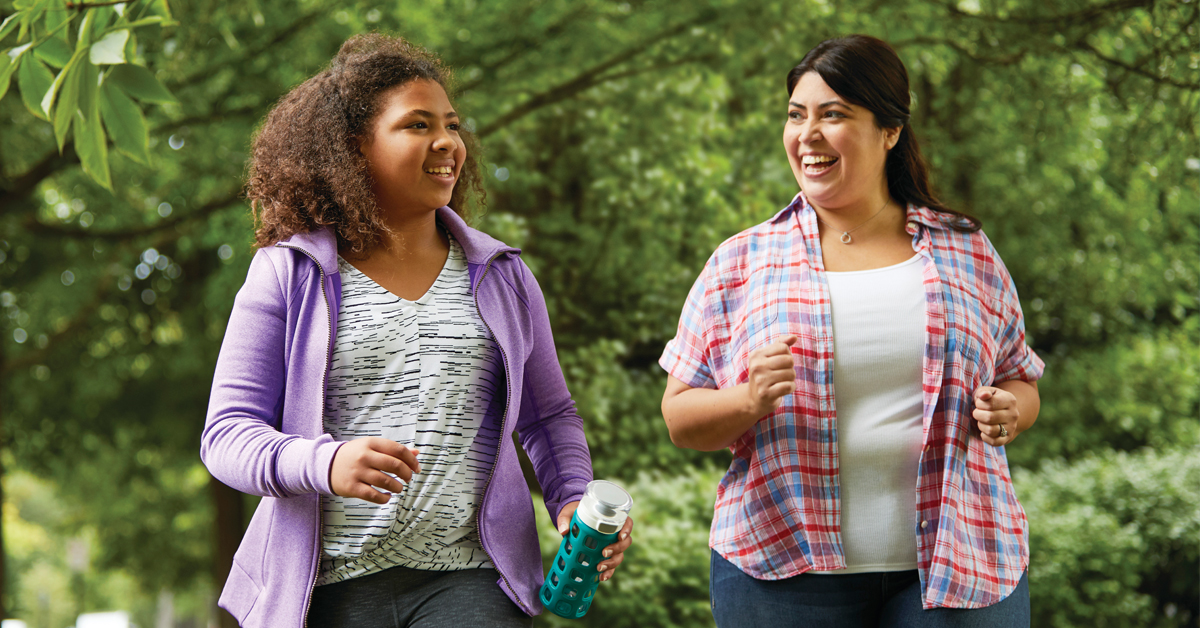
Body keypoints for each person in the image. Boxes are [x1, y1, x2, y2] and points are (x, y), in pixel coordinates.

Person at [201, 34, 631, 628]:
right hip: (324, 588)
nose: (447, 143)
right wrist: (323, 463)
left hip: (469, 578)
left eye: (452, 125)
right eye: (417, 125)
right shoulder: (288, 273)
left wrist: (573, 499)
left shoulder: (501, 276)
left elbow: (548, 415)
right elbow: (226, 435)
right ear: (354, 148)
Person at [659, 34, 1043, 627]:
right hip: (781, 574)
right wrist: (748, 399)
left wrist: (1009, 412)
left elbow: (1021, 379)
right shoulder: (742, 261)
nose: (807, 134)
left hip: (958, 568)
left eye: (833, 114)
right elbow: (680, 418)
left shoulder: (966, 251)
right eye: (795, 115)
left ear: (890, 130)